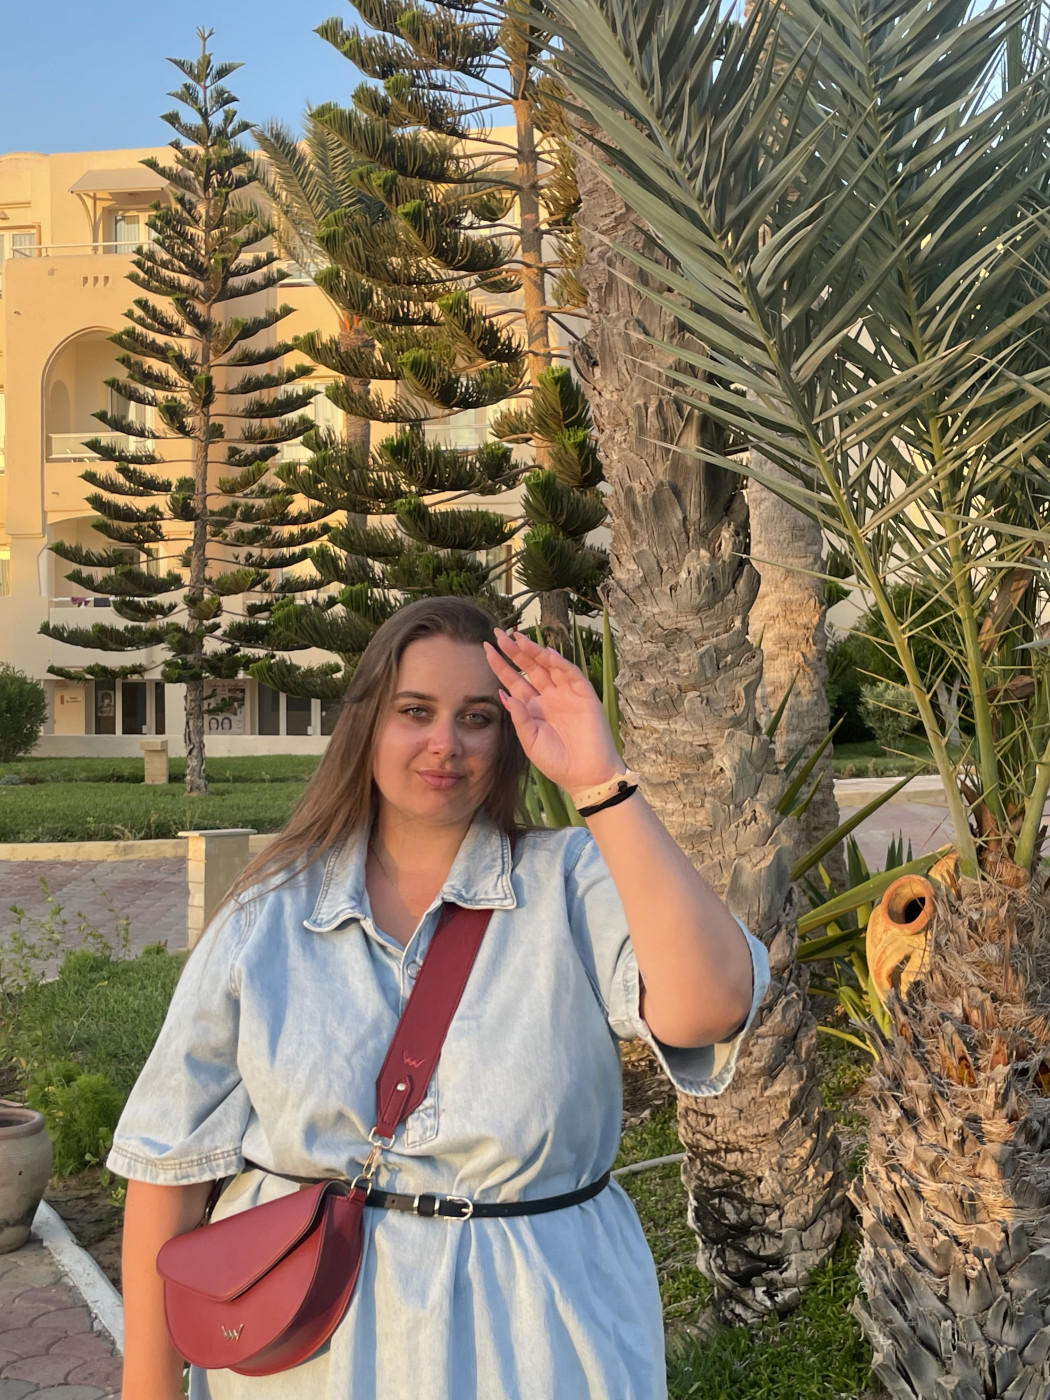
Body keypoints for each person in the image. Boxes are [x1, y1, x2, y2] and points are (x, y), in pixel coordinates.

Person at [111, 597, 770, 1400]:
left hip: (536, 1348)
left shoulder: (571, 883)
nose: (445, 743)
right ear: (367, 724)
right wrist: (149, 1387)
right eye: (415, 711)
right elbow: (167, 1163)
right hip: (310, 1359)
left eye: (477, 718)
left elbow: (710, 1005)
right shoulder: (269, 914)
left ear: (508, 737)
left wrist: (601, 781)